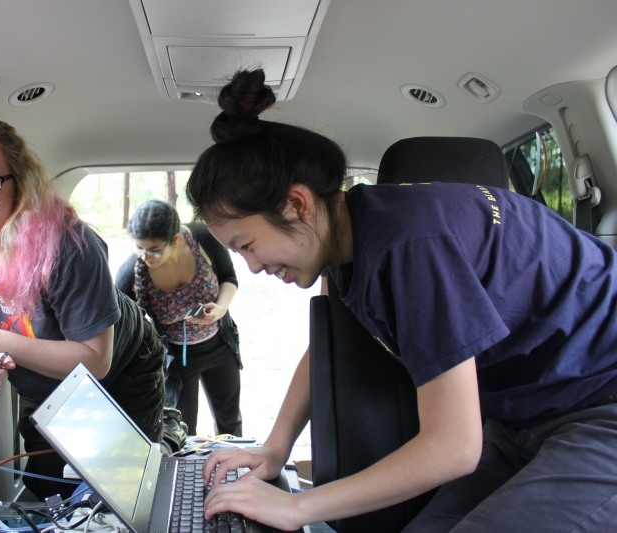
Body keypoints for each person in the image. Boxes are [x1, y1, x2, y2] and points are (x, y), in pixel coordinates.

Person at [184, 69, 617, 532]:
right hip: (521, 418)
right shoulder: (347, 240)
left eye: (247, 246)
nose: (251, 267)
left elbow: (453, 445)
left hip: (599, 407)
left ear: (296, 204)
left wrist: (296, 508)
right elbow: (326, 350)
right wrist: (274, 449)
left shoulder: (412, 245)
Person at [0, 116, 165, 501]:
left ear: (18, 183)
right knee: (50, 487)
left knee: (122, 492)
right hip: (41, 377)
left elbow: (95, 361)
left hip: (122, 371)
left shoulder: (68, 246)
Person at [115, 199, 243, 436]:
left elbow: (229, 277)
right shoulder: (130, 272)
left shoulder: (203, 237)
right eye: (139, 248)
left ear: (175, 240)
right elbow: (120, 321)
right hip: (177, 359)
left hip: (220, 345)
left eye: (154, 250)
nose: (146, 257)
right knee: (181, 430)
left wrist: (220, 308)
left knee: (230, 423)